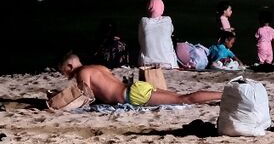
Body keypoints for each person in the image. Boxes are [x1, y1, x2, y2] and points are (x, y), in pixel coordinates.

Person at [58, 53, 222, 106]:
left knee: (184, 99)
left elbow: (84, 96)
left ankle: (222, 94)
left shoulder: (82, 73)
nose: (65, 76)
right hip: (135, 87)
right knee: (180, 96)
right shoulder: (98, 67)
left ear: (70, 66)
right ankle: (221, 94)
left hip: (132, 95)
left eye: (64, 71)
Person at [138, 0, 178, 69]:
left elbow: (140, 39)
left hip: (146, 64)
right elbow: (171, 31)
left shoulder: (143, 21)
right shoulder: (168, 20)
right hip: (168, 63)